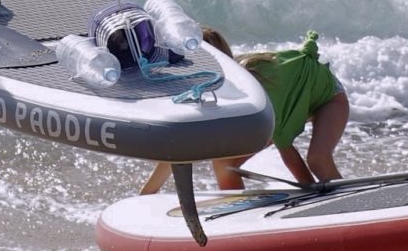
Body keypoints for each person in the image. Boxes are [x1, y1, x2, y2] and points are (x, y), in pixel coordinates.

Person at [140, 26, 348, 195]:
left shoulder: (254, 88)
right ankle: (239, 211)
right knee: (224, 164)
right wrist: (147, 194)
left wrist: (311, 192)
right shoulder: (208, 91)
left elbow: (284, 144)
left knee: (318, 159)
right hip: (294, 103)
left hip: (328, 97)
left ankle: (349, 204)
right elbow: (181, 147)